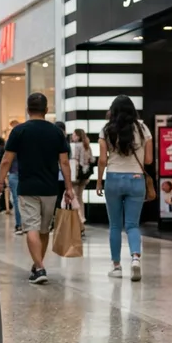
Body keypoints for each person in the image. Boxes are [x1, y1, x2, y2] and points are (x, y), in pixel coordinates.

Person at [0, 93, 73, 285]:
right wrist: (69, 188)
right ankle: (38, 264)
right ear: (46, 110)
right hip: (50, 188)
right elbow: (64, 162)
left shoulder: (19, 131)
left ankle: (39, 268)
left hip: (27, 187)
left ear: (27, 110)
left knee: (31, 226)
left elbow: (6, 159)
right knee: (44, 229)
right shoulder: (56, 132)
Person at [96, 95, 152, 281]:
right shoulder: (143, 129)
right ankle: (135, 257)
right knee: (132, 224)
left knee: (115, 225)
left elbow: (103, 159)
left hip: (113, 178)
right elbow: (149, 160)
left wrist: (98, 181)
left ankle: (117, 266)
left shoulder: (106, 130)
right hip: (136, 178)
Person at [71, 128, 93, 235]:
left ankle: (80, 223)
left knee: (74, 199)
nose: (72, 137)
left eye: (74, 135)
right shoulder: (87, 145)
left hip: (76, 176)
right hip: (85, 176)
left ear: (78, 136)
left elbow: (74, 160)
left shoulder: (76, 146)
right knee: (80, 199)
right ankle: (81, 222)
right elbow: (92, 160)